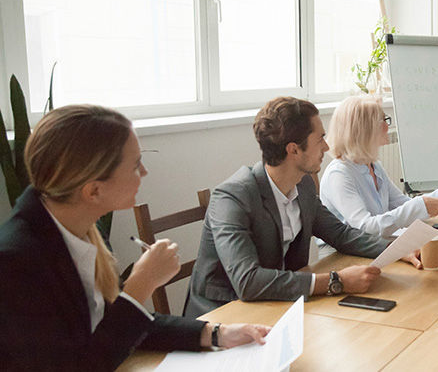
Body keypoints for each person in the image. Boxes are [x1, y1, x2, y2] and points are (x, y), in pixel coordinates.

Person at [0, 105, 268, 371]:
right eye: (135, 164)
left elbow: (119, 324)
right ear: (93, 191)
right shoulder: (15, 262)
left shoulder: (83, 226)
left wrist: (216, 333)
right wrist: (140, 286)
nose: (144, 173)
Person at [185, 96, 423, 318]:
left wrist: (397, 249)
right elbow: (248, 281)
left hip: (277, 304)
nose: (327, 147)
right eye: (320, 139)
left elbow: (340, 234)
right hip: (223, 315)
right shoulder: (232, 197)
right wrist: (335, 280)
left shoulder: (304, 184)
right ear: (294, 150)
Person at [320, 96, 438, 238]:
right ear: (364, 129)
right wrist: (418, 206)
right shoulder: (339, 174)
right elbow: (365, 228)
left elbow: (405, 205)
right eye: (383, 120)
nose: (388, 127)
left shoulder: (373, 166)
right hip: (343, 258)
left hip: (374, 246)